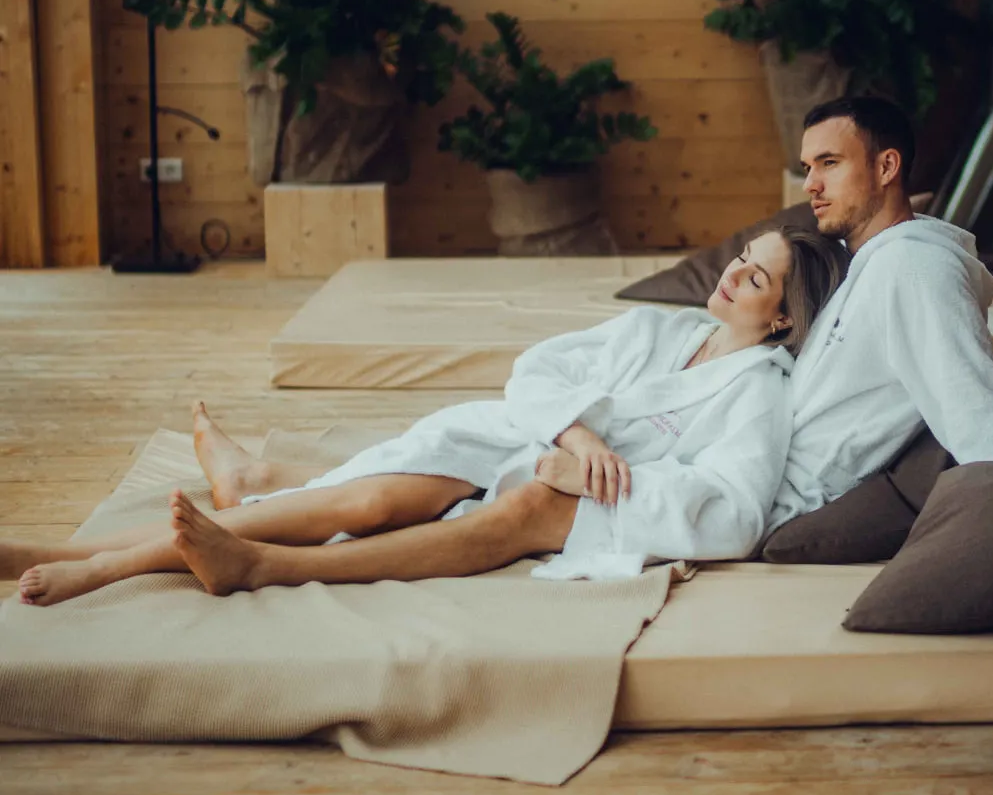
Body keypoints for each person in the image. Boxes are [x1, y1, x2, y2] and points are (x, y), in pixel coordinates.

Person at [4, 228, 848, 605]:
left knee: (477, 504)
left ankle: (140, 563)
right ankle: (235, 495)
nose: (731, 277)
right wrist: (572, 433)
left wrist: (592, 477)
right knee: (365, 499)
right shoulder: (665, 325)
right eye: (739, 259)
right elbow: (541, 368)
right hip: (525, 443)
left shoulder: (759, 393)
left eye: (756, 280)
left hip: (589, 501)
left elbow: (733, 508)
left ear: (781, 319)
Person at [769, 95, 993, 533]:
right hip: (753, 464)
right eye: (808, 167)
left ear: (886, 168)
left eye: (829, 163)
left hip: (782, 499)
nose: (810, 185)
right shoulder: (858, 261)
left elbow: (975, 409)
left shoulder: (915, 270)